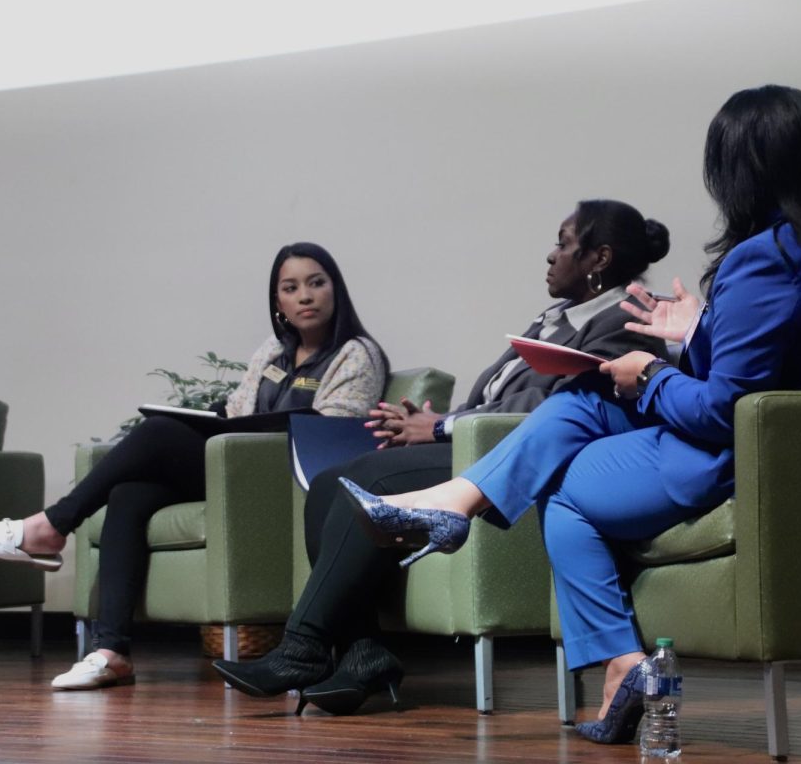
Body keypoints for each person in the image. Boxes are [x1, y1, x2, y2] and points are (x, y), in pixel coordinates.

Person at [339, 85, 801, 743]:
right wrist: (696, 333)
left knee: (566, 489)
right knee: (580, 403)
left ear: (741, 170)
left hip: (742, 456)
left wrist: (652, 373)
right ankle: (456, 503)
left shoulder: (764, 258)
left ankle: (619, 662)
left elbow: (727, 409)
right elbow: (791, 370)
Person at [213, 199, 672, 715]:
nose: (551, 255)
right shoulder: (556, 316)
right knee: (328, 482)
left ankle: (303, 646)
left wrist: (440, 426)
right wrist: (430, 424)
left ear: (599, 258)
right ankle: (363, 653)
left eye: (564, 244)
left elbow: (562, 406)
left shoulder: (627, 317)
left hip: (524, 460)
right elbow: (498, 400)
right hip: (478, 441)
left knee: (360, 478)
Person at [0, 242, 389, 690]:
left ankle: (52, 525)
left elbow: (334, 435)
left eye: (316, 283)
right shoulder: (271, 353)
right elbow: (237, 413)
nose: (305, 296)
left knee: (160, 433)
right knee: (129, 494)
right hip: (236, 470)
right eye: (291, 287)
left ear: (335, 290)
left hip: (291, 479)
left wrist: (233, 432)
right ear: (277, 303)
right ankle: (111, 651)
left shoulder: (357, 353)